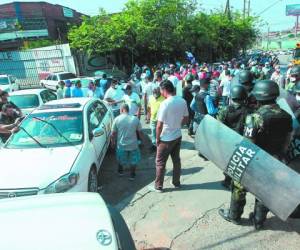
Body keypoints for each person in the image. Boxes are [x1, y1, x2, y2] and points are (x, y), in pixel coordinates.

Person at [219, 80, 293, 230]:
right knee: (265, 190)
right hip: (275, 160)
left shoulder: (255, 117)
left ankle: (234, 216)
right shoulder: (287, 116)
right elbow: (287, 140)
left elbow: (248, 145)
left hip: (255, 161)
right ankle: (258, 221)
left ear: (258, 97)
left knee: (239, 187)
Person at [149, 80, 189, 192]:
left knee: (160, 162)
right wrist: (177, 124)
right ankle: (176, 182)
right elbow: (186, 118)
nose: (160, 92)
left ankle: (158, 186)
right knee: (176, 160)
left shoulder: (165, 104)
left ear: (164, 90)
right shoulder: (182, 101)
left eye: (161, 90)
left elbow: (159, 125)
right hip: (177, 135)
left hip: (166, 138)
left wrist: (157, 139)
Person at [217, 85, 249, 188]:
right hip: (243, 141)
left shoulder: (224, 110)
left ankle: (227, 180)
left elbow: (219, 126)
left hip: (228, 141)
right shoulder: (249, 111)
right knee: (240, 163)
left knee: (228, 161)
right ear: (244, 97)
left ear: (232, 97)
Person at [111, 103, 143, 180]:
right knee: (133, 160)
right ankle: (132, 175)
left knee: (120, 159)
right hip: (133, 145)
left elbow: (113, 134)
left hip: (121, 145)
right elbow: (140, 132)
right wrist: (141, 141)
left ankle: (121, 171)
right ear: (128, 110)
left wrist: (113, 143)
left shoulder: (117, 119)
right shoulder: (135, 119)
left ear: (121, 110)